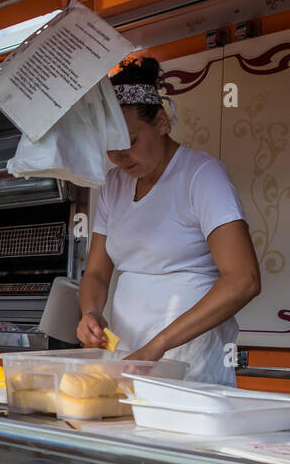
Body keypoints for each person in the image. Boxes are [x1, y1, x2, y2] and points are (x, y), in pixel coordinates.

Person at [78, 57, 261, 386]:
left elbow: (243, 279)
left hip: (190, 362)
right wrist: (90, 312)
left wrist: (157, 347)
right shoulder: (112, 186)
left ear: (161, 122)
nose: (119, 156)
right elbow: (95, 272)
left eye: (130, 141)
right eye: (109, 147)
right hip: (129, 359)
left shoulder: (201, 175)